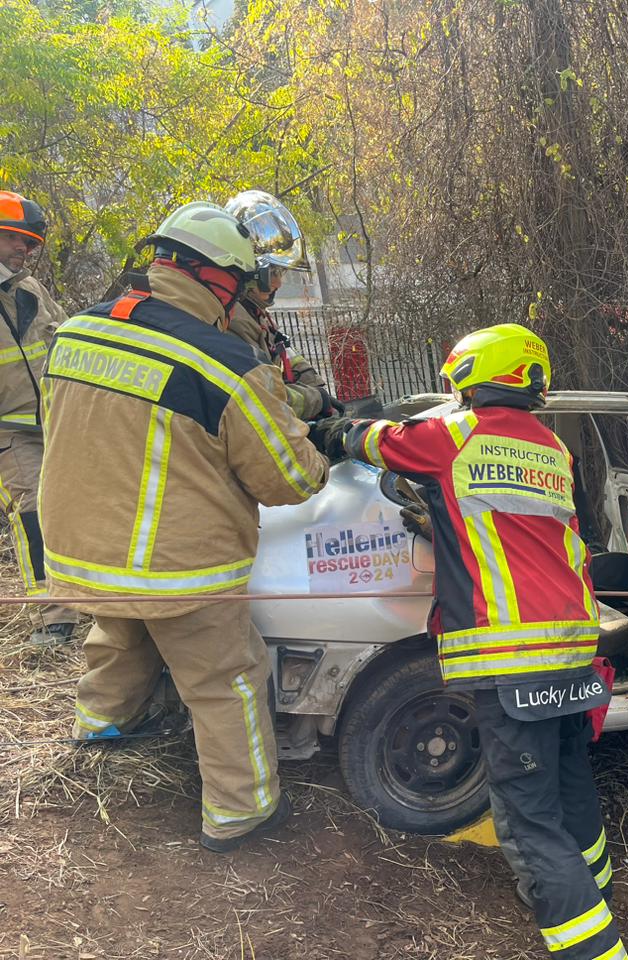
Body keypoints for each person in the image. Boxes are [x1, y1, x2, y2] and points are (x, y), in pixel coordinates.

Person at [309, 323, 628, 960]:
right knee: (569, 784)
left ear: (471, 377)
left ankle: (591, 946)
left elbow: (369, 441)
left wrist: (327, 424)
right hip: (572, 647)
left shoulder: (453, 435)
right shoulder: (552, 449)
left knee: (527, 817)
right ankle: (592, 886)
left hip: (510, 658)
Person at [39, 201, 329, 851]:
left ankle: (99, 731)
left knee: (119, 636)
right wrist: (323, 449)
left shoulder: (76, 331)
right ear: (222, 279)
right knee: (226, 679)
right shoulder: (222, 361)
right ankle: (241, 812)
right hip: (175, 568)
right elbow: (289, 479)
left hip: (83, 552)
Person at [0, 190, 79, 645]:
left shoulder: (30, 289)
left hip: (56, 422)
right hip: (9, 434)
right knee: (32, 510)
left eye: (28, 242)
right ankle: (53, 618)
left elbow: (67, 340)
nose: (23, 249)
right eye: (13, 238)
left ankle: (92, 594)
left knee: (75, 507)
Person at [224, 190, 340, 419]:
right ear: (247, 272)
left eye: (281, 273)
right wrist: (316, 400)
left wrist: (317, 387)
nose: (278, 283)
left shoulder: (256, 314)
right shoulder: (234, 322)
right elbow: (268, 401)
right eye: (271, 274)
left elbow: (286, 355)